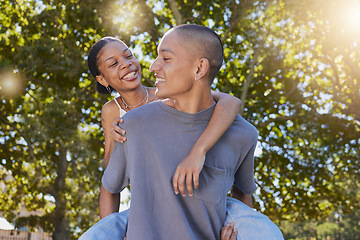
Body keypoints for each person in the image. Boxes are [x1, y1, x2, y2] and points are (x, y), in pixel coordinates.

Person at [80, 25, 284, 240]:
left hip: (207, 205)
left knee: (259, 228)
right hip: (148, 201)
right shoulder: (119, 115)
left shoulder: (164, 92)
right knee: (108, 228)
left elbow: (228, 101)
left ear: (199, 68)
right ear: (102, 80)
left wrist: (199, 152)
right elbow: (110, 176)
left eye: (128, 55)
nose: (130, 64)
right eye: (113, 64)